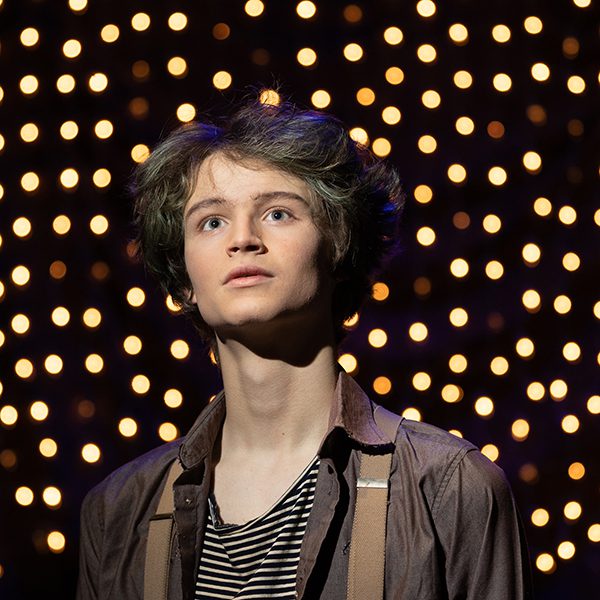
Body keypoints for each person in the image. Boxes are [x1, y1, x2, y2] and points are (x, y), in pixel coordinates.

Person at [77, 95, 532, 599]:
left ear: (337, 246)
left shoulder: (449, 489)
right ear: (184, 279)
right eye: (211, 221)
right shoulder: (118, 512)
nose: (243, 238)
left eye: (277, 213)